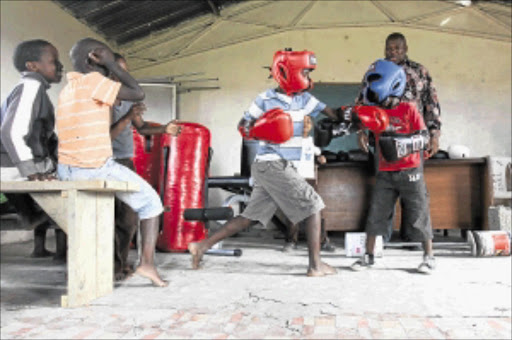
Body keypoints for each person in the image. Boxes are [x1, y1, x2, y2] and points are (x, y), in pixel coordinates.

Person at [188, 48, 339, 277]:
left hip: (279, 166)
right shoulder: (265, 99)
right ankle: (315, 265)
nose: (309, 79)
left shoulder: (304, 99)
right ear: (290, 73)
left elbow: (332, 113)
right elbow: (243, 125)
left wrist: (354, 113)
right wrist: (264, 129)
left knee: (250, 218)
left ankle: (201, 246)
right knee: (314, 205)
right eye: (305, 73)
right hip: (271, 163)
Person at [55, 37, 168, 287]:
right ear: (95, 57)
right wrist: (110, 64)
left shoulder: (69, 88)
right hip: (93, 166)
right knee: (151, 203)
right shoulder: (95, 81)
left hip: (67, 167)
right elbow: (138, 92)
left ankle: (100, 271)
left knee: (99, 221)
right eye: (105, 56)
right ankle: (147, 264)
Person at [350, 59, 435, 274]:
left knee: (419, 213)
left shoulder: (409, 108)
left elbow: (424, 137)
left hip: (411, 170)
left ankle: (429, 257)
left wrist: (403, 145)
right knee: (376, 214)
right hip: (385, 172)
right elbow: (357, 121)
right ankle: (368, 256)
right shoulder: (375, 111)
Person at [355, 32, 442, 242]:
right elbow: (362, 102)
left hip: (414, 136)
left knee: (413, 191)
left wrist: (434, 135)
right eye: (389, 48)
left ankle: (414, 237)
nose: (392, 52)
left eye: (397, 48)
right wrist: (361, 131)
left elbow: (432, 104)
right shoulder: (375, 71)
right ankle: (380, 239)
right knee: (384, 189)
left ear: (405, 49)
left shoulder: (419, 71)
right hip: (382, 135)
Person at [109, 53, 181, 281]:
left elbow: (140, 128)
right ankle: (112, 266)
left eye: (125, 71)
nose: (123, 76)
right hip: (105, 162)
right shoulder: (103, 101)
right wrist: (127, 116)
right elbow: (106, 136)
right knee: (107, 216)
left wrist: (163, 130)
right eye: (118, 71)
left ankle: (120, 262)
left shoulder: (128, 100)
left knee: (128, 218)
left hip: (125, 162)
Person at [0, 39, 66, 260]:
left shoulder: (34, 89)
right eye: (53, 61)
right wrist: (31, 171)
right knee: (65, 206)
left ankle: (32, 215)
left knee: (53, 203)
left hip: (15, 166)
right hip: (12, 168)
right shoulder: (31, 86)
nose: (59, 66)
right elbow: (10, 132)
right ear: (32, 66)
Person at [282, 115, 335, 253]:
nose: (305, 124)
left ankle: (323, 241)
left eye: (308, 122)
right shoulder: (289, 142)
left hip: (310, 179)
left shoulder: (311, 142)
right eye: (302, 121)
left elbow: (318, 156)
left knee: (317, 210)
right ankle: (291, 242)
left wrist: (321, 158)